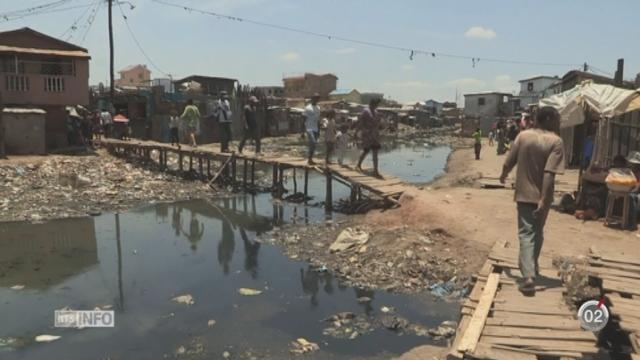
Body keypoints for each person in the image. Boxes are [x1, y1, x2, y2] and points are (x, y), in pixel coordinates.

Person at [499, 106, 564, 294]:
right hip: (543, 195)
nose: (559, 123)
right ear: (550, 119)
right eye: (557, 120)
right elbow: (549, 174)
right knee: (535, 231)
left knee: (528, 233)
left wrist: (503, 174)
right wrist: (544, 199)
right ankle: (530, 270)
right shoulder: (556, 142)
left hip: (524, 194)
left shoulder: (523, 136)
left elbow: (509, 160)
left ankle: (528, 273)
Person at [356, 98, 382, 177]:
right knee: (366, 150)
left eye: (377, 105)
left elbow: (377, 123)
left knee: (375, 152)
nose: (376, 106)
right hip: (367, 134)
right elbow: (361, 123)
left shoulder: (376, 112)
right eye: (375, 104)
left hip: (374, 134)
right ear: (372, 104)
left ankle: (376, 170)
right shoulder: (366, 111)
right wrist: (356, 132)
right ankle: (358, 164)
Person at [303, 93, 321, 165]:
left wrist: (319, 130)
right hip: (309, 128)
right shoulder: (307, 108)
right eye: (315, 98)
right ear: (312, 98)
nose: (316, 100)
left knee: (313, 144)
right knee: (313, 142)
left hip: (316, 128)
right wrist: (302, 131)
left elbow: (318, 120)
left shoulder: (318, 108)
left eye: (317, 98)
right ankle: (309, 159)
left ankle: (310, 159)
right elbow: (304, 119)